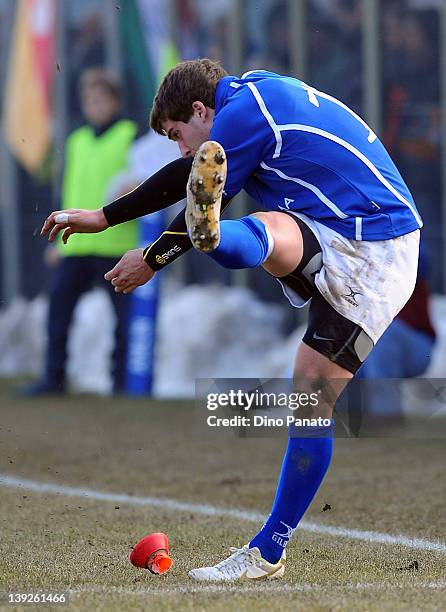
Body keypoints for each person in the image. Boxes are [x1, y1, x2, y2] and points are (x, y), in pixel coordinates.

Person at [41, 59, 422, 580]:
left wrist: (151, 257)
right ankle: (213, 233)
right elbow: (187, 174)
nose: (181, 149)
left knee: (309, 388)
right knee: (269, 241)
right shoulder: (253, 98)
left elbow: (187, 174)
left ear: (202, 109)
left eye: (179, 134)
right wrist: (105, 218)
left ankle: (268, 549)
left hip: (376, 247)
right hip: (329, 226)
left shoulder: (245, 111)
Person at [26, 68, 138, 395]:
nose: (95, 105)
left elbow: (149, 177)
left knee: (123, 322)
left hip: (115, 244)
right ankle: (53, 377)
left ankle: (121, 382)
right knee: (58, 314)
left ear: (115, 101)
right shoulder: (76, 141)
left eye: (101, 99)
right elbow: (71, 192)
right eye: (89, 100)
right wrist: (56, 240)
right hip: (73, 245)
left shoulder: (131, 135)